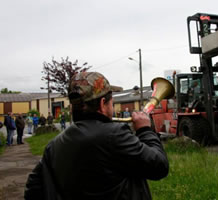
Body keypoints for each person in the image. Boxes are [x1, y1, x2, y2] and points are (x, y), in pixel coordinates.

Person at [25, 72, 169, 199]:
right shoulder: (114, 135)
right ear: (102, 104)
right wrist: (145, 130)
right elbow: (159, 166)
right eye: (111, 102)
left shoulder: (54, 145)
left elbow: (33, 188)